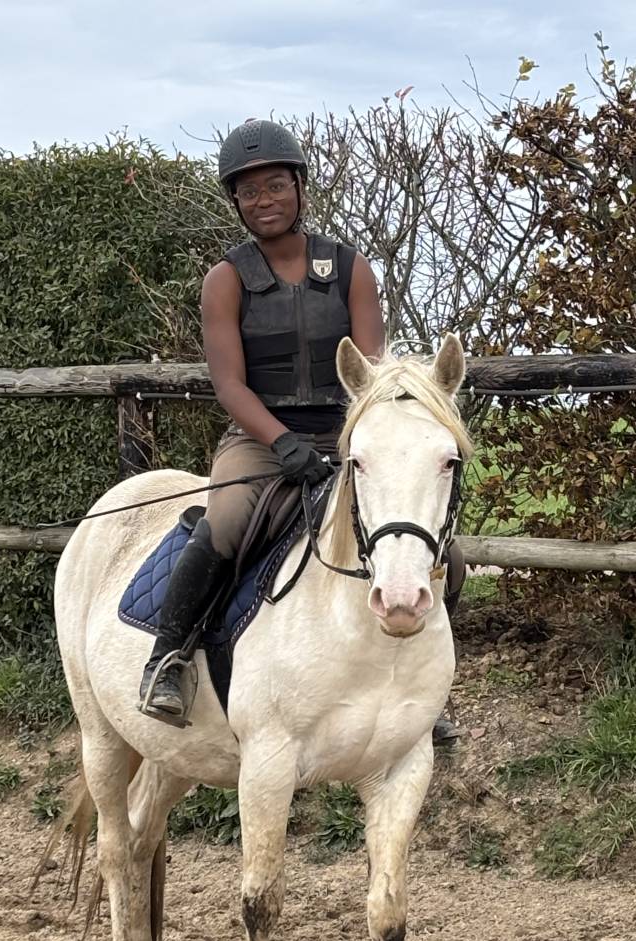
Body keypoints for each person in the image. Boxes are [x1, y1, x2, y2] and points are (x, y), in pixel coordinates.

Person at [139, 119, 464, 740]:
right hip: (260, 439)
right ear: (235, 202)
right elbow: (230, 384)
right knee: (227, 523)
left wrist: (351, 444)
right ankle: (169, 660)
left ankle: (426, 694)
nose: (264, 201)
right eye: (250, 192)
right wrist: (282, 444)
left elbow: (368, 376)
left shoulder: (349, 268)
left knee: (444, 551)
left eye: (275, 186)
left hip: (347, 435)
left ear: (299, 188)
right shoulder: (226, 280)